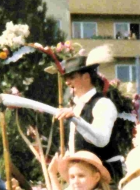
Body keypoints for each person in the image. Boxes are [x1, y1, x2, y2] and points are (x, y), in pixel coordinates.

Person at [54, 53, 128, 182]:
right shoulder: (75, 107)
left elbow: (101, 139)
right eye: (66, 78)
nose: (67, 82)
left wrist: (77, 120)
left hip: (105, 179)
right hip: (82, 178)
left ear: (86, 77)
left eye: (72, 77)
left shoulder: (103, 104)